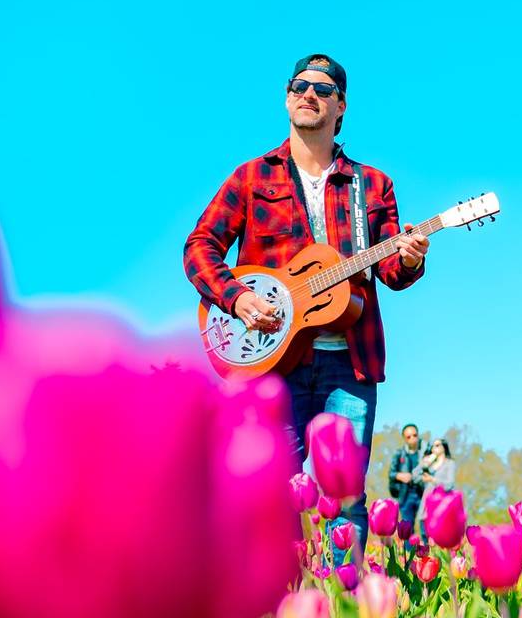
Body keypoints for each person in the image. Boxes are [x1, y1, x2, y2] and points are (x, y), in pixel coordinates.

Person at [184, 53, 430, 550]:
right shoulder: (252, 176)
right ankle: (285, 616)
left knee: (347, 499)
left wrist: (408, 257)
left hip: (350, 364)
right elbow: (200, 246)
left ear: (341, 106)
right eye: (299, 86)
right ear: (286, 97)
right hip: (270, 362)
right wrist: (237, 299)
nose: (308, 94)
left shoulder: (374, 185)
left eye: (322, 89)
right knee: (273, 498)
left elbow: (389, 272)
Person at [414, 437, 456, 540]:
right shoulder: (429, 465)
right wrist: (423, 465)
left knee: (440, 542)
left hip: (441, 509)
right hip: (425, 510)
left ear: (444, 447)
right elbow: (415, 477)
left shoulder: (449, 464)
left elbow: (449, 484)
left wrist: (432, 479)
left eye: (437, 445)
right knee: (426, 543)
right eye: (432, 446)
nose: (434, 448)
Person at [388, 423, 427, 531]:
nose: (412, 439)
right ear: (404, 439)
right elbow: (391, 473)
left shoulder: (426, 453)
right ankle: (409, 548)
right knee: (407, 528)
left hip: (423, 493)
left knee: (426, 527)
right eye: (409, 437)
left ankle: (428, 547)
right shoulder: (399, 454)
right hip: (406, 495)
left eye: (415, 435)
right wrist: (400, 475)